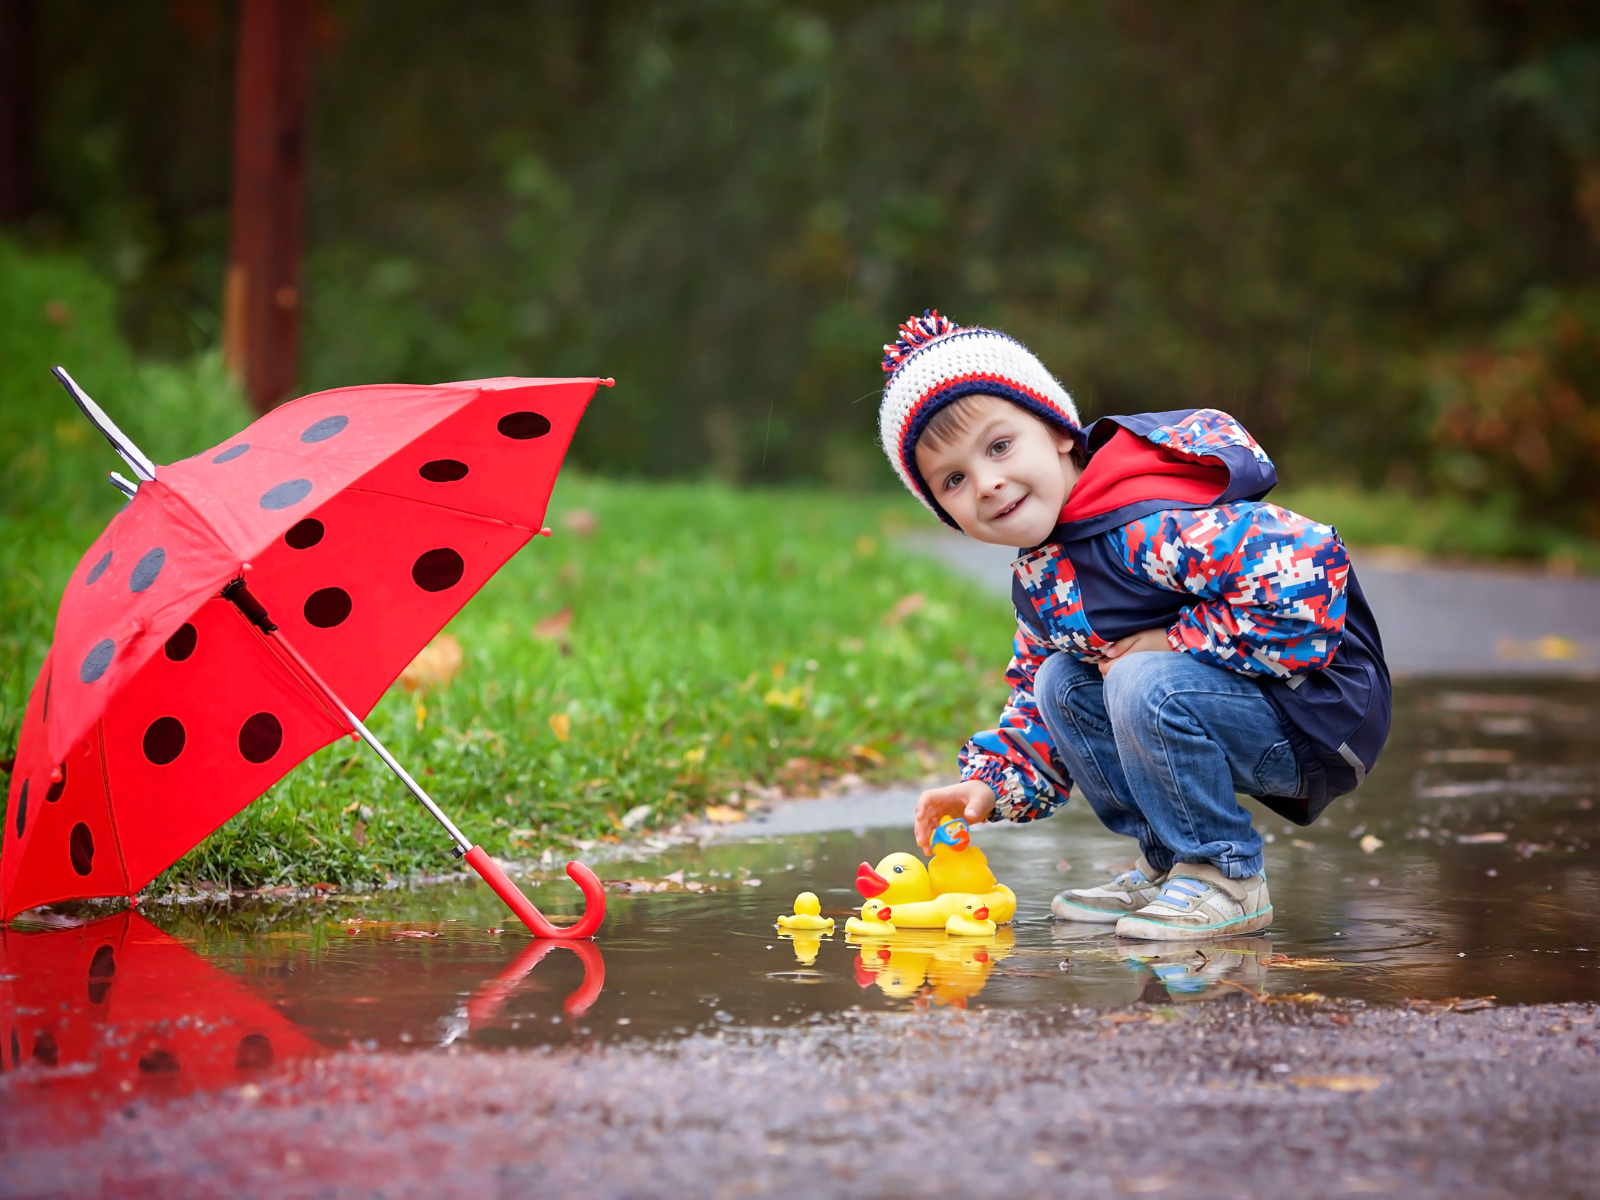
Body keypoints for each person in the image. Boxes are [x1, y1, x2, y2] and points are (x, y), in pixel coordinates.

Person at [882, 312, 1390, 940]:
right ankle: (1170, 865)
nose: (987, 484)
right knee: (1061, 680)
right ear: (945, 512)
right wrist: (988, 786)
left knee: (1139, 676)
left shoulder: (1147, 521)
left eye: (1000, 446)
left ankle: (1225, 874)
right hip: (1227, 703)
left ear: (1059, 432)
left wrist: (1175, 642)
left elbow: (1310, 570)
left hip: (1316, 711)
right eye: (953, 480)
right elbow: (1037, 703)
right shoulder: (1045, 575)